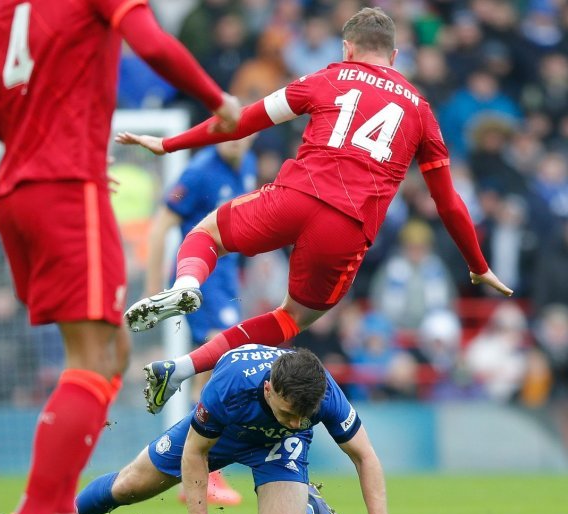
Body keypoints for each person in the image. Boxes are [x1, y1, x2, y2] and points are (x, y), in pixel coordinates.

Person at [118, 7, 513, 414]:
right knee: (291, 318)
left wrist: (168, 144)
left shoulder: (328, 77)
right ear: (394, 57)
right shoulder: (420, 110)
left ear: (347, 48)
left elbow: (243, 122)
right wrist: (478, 263)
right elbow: (447, 201)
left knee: (206, 234)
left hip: (295, 197)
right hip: (347, 227)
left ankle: (187, 285)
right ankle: (181, 369)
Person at [0, 1, 241, 514]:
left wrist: (34, 144)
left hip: (17, 189)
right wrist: (219, 102)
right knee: (92, 358)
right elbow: (153, 43)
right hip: (65, 188)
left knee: (110, 352)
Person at [72, 346, 404, 514]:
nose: (294, 421)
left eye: (302, 417)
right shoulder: (230, 384)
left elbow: (365, 456)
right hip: (224, 433)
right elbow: (196, 451)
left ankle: (306, 507)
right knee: (130, 485)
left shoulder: (324, 393)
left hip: (277, 446)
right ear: (269, 389)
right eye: (288, 413)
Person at [145, 138, 257, 505]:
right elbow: (161, 224)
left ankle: (201, 472)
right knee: (217, 365)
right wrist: (153, 290)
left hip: (227, 283)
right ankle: (203, 473)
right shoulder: (199, 172)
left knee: (217, 368)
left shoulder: (248, 163)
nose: (238, 139)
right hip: (203, 279)